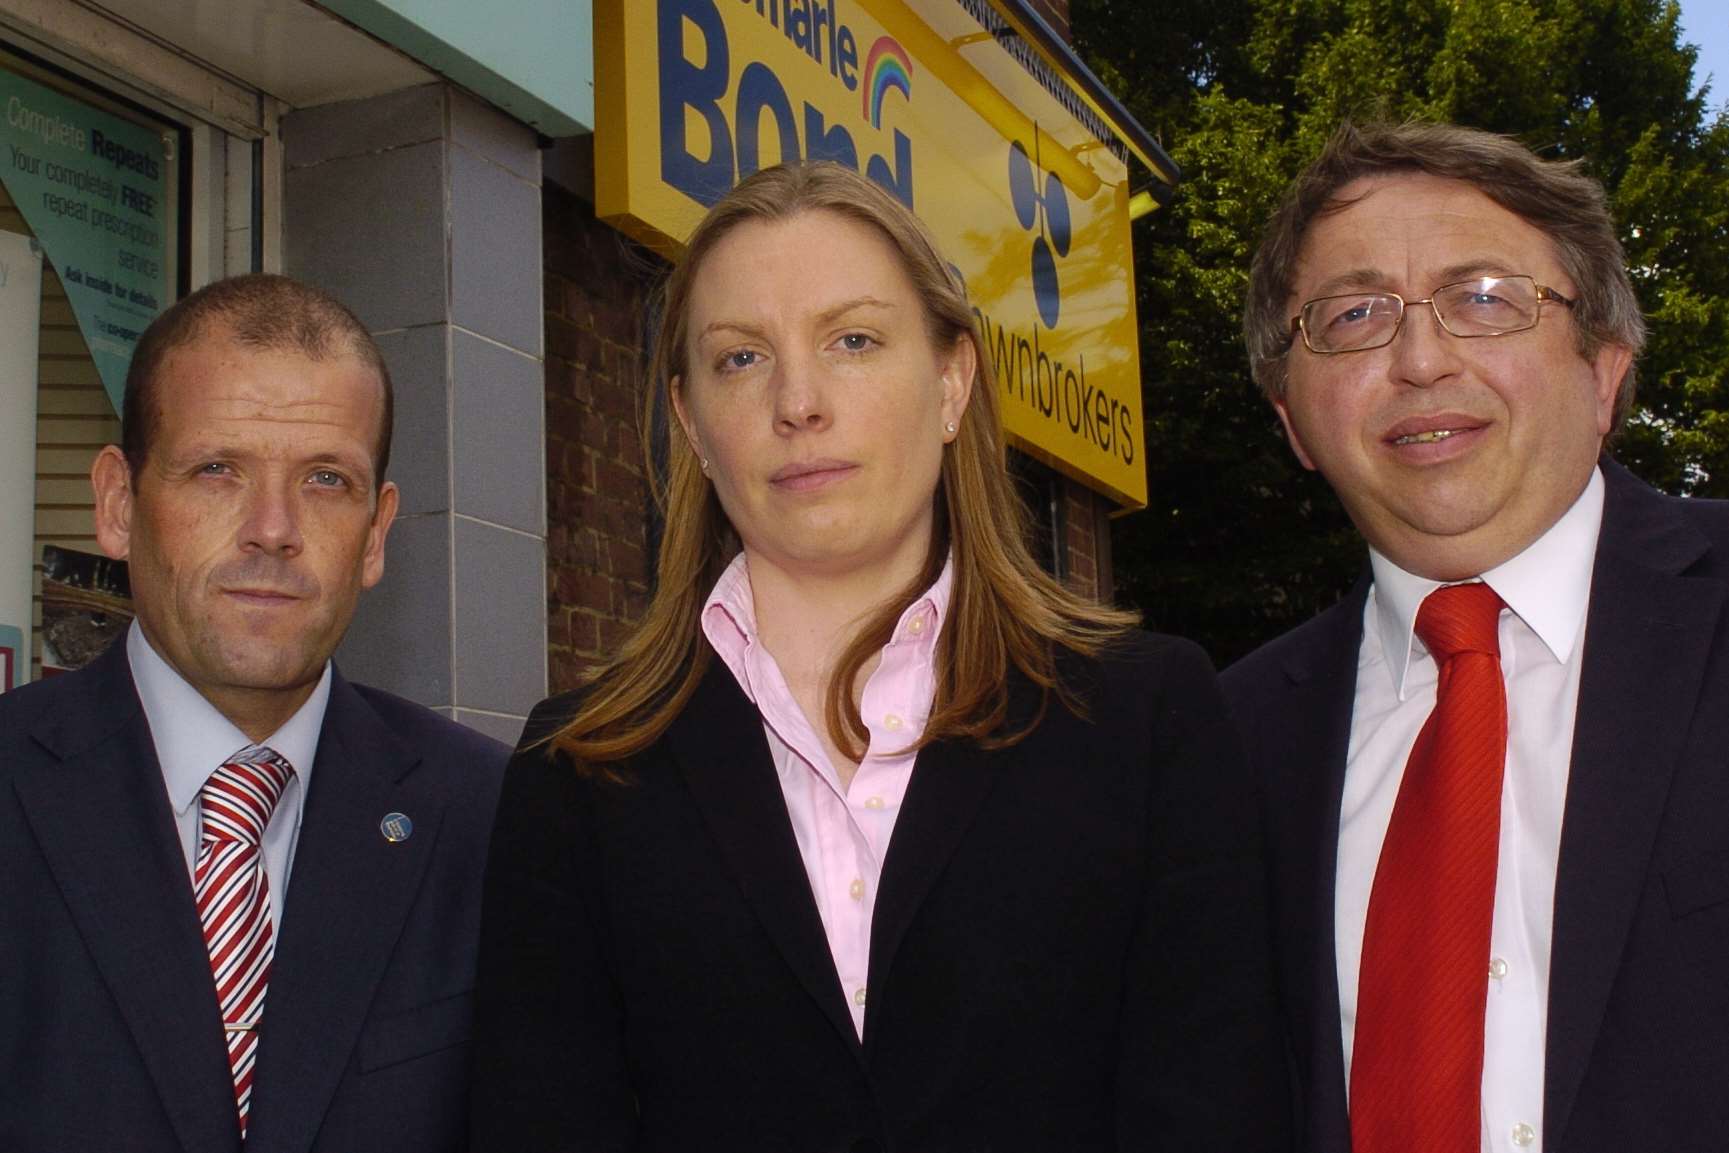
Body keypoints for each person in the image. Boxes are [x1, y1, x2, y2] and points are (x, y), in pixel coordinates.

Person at [470, 161, 1290, 1152]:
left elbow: (1215, 1110)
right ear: (688, 422)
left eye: (852, 340)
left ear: (950, 383)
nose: (798, 401)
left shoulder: (1144, 715)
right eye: (740, 358)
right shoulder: (577, 765)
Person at [1222, 119, 1729, 1153]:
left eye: (1484, 299)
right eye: (1353, 314)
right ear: (1290, 419)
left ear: (1603, 369)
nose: (1417, 357)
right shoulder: (1222, 744)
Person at [0, 274, 508, 1152]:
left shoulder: (492, 818)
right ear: (118, 503)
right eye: (217, 469)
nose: (272, 528)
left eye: (325, 479)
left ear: (377, 533)